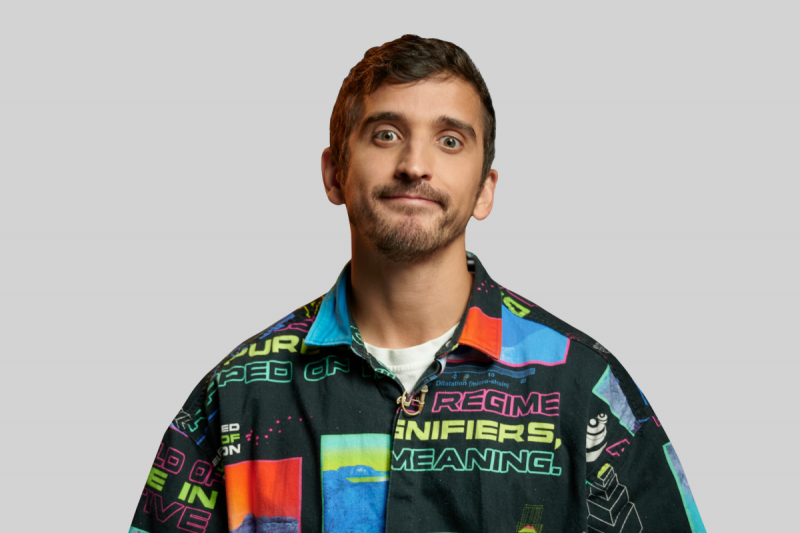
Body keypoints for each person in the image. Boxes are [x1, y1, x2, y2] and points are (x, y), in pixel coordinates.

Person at [129, 35, 705, 533]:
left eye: (450, 140)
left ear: (485, 190)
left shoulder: (583, 388)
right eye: (385, 134)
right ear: (334, 173)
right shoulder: (236, 396)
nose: (414, 164)